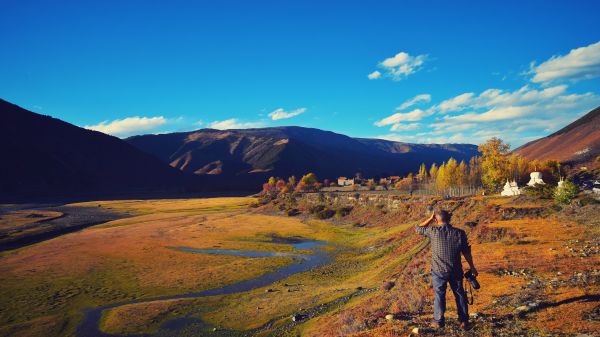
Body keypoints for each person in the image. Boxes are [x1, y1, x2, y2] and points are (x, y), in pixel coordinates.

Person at [416, 209, 477, 330]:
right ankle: (464, 321)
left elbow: (418, 228)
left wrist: (429, 218)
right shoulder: (460, 233)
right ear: (449, 219)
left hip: (439, 271)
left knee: (439, 295)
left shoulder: (433, 231)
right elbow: (466, 252)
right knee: (460, 294)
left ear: (436, 219)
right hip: (455, 270)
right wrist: (472, 267)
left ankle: (439, 321)